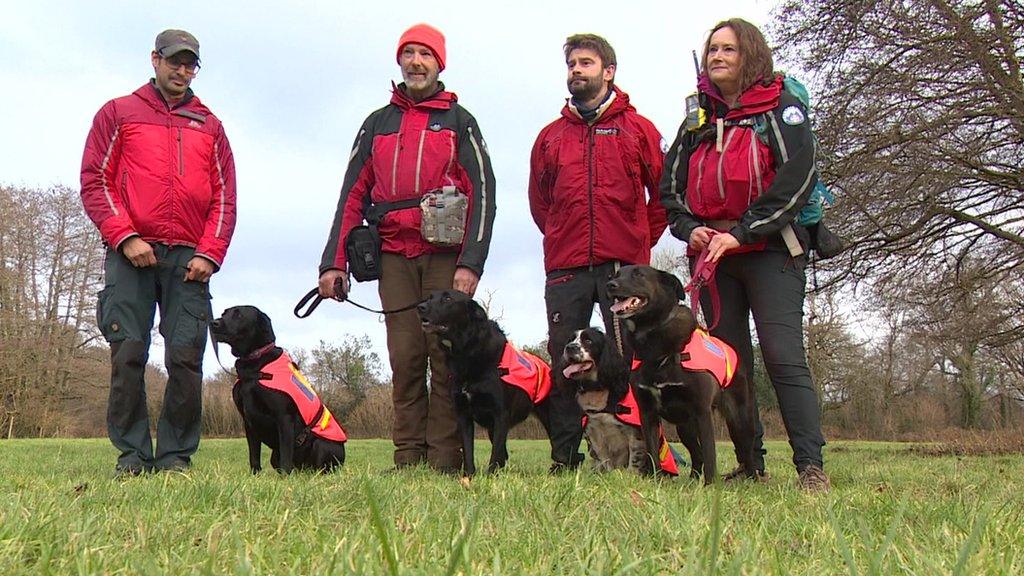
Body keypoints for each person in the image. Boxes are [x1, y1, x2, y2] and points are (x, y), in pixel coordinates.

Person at [659, 18, 830, 491]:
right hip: (714, 260)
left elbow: (797, 179)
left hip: (773, 249)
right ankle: (750, 464)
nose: (717, 56)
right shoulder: (696, 120)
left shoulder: (782, 108)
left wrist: (742, 231)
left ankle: (810, 466)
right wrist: (690, 229)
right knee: (729, 362)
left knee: (782, 356)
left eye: (728, 49)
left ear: (749, 54)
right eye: (712, 48)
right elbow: (670, 189)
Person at [318, 23, 496, 474]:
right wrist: (333, 263)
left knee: (445, 357)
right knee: (405, 357)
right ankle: (408, 458)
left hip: (445, 256)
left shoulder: (461, 122)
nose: (416, 62)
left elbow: (483, 193)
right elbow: (351, 196)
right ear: (400, 61)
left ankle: (444, 460)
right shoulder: (377, 123)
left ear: (440, 64)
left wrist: (471, 263)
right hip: (394, 256)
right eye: (409, 53)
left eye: (426, 55)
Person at [80, 29, 237, 476]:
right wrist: (125, 236)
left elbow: (226, 198)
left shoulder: (211, 126)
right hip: (129, 251)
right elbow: (95, 180)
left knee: (186, 356)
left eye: (191, 65)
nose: (183, 71)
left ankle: (175, 457)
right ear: (155, 59)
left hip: (190, 258)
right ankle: (132, 455)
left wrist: (209, 252)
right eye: (175, 62)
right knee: (127, 352)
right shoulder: (118, 113)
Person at [528, 33, 667, 472]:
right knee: (563, 361)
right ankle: (565, 457)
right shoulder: (550, 137)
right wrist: (558, 235)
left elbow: (663, 194)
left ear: (608, 71)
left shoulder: (639, 129)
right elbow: (539, 201)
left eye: (585, 63)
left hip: (622, 268)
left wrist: (641, 244)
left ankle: (641, 456)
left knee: (625, 362)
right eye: (572, 64)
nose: (576, 71)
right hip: (566, 268)